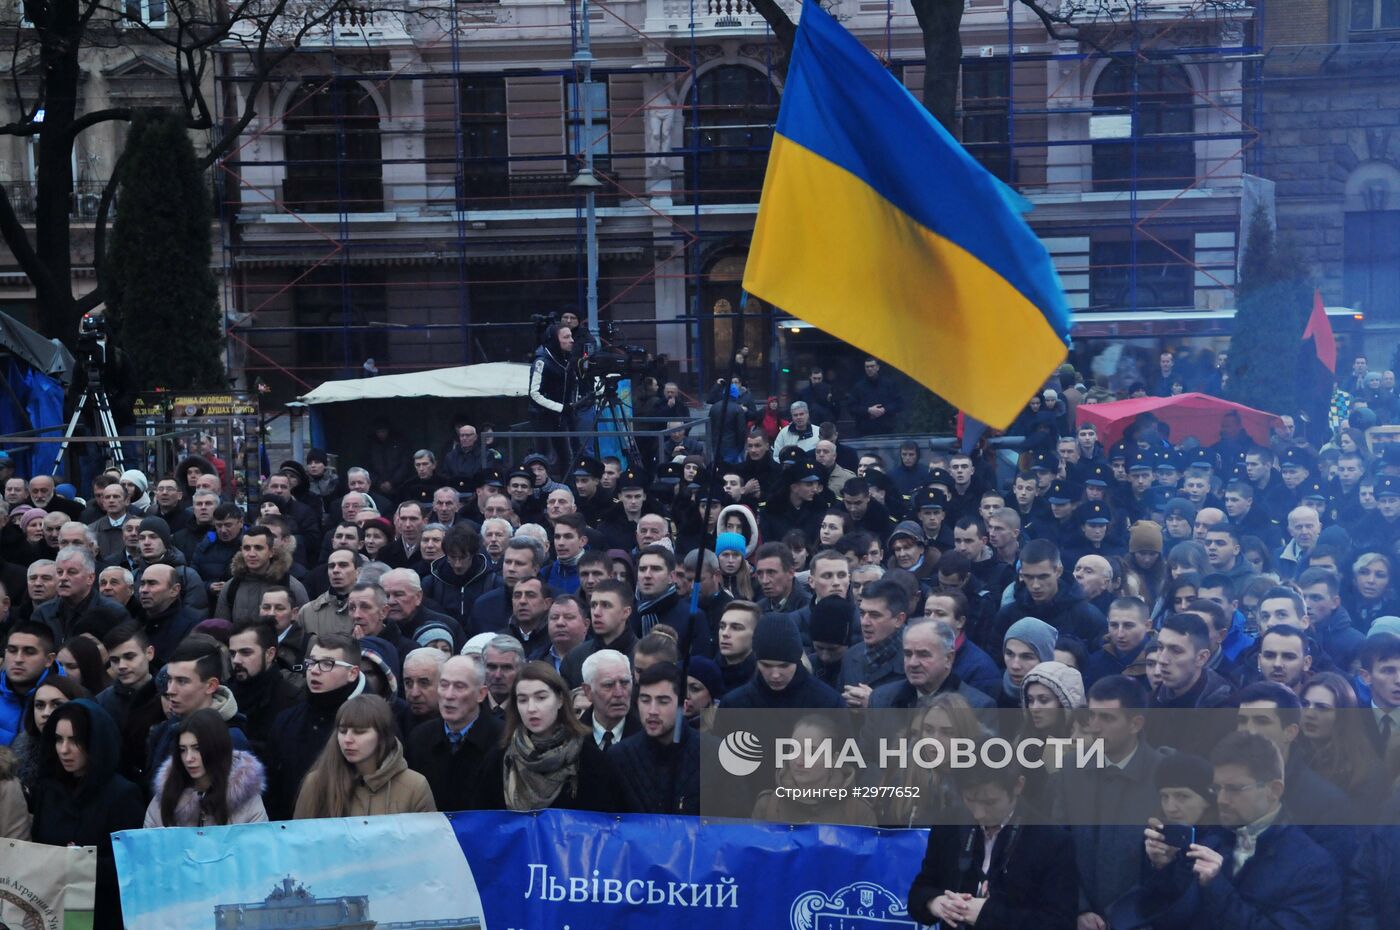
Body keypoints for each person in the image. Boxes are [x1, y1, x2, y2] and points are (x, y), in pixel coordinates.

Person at [1135, 731, 1338, 930]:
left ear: (1274, 790)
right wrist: (1163, 866)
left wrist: (1216, 887)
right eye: (1216, 788)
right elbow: (1167, 917)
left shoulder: (1312, 866)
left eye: (1234, 789)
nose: (1221, 800)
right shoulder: (1210, 842)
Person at [907, 762, 1077, 929]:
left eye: (990, 802)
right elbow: (920, 890)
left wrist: (988, 914)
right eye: (970, 799)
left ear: (1018, 785)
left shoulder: (1051, 842)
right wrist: (935, 903)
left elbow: (1060, 923)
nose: (978, 813)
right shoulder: (949, 825)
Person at [29, 701, 145, 930]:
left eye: (75, 741)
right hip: (52, 911)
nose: (64, 749)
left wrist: (84, 861)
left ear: (95, 743)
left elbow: (131, 867)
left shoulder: (122, 795)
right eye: (59, 739)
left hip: (101, 914)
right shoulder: (49, 790)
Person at [475, 661, 627, 812]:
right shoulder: (499, 759)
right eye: (522, 700)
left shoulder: (591, 760)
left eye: (541, 698)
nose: (531, 708)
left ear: (560, 700)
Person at [267, 633, 367, 819]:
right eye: (312, 662)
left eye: (327, 664)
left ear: (352, 673)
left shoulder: (370, 723)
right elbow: (273, 789)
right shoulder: (286, 721)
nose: (314, 670)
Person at [295, 694, 436, 818]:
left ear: (382, 735)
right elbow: (300, 842)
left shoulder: (415, 786)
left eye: (359, 732)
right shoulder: (316, 783)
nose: (348, 739)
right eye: (342, 731)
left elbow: (427, 845)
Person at [406, 654, 502, 812]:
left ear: (481, 694)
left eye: (459, 686)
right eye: (444, 685)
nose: (449, 695)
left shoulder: (502, 740)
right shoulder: (419, 738)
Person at [144, 707, 268, 826]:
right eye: (183, 750)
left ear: (217, 748)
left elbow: (258, 845)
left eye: (197, 748)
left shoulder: (247, 800)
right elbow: (149, 844)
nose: (188, 758)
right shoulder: (166, 794)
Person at [610, 662, 705, 814]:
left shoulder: (713, 756)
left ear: (684, 707)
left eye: (663, 701)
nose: (652, 711)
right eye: (645, 700)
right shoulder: (620, 757)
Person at [720, 615, 843, 709]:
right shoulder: (733, 704)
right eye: (766, 665)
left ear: (798, 659)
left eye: (784, 666)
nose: (775, 675)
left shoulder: (829, 703)